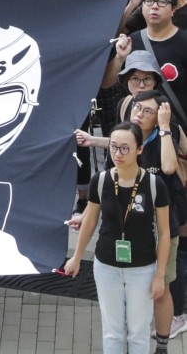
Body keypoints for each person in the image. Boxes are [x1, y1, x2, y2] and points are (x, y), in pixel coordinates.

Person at [64, 122, 170, 354]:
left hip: (142, 268)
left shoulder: (154, 184)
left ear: (139, 149)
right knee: (112, 331)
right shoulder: (101, 180)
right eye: (113, 147)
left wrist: (160, 275)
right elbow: (90, 221)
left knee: (138, 332)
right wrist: (77, 257)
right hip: (106, 265)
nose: (117, 154)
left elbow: (164, 233)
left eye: (125, 148)